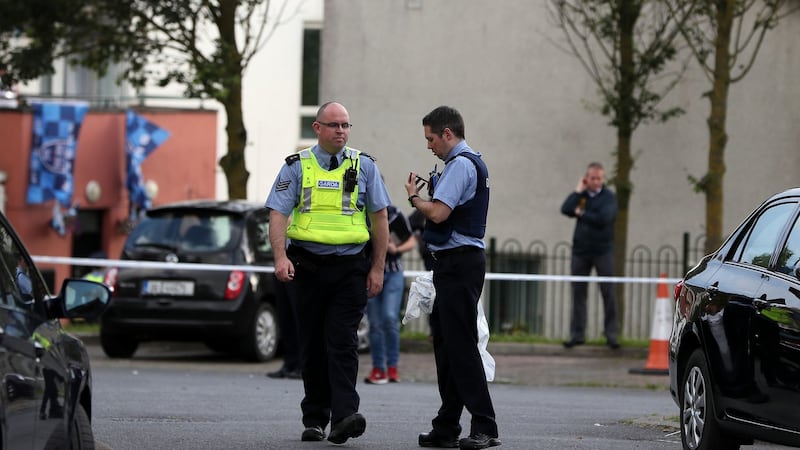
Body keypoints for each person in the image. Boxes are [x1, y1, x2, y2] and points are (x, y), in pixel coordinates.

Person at [265, 101, 390, 445]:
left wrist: (377, 267)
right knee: (312, 344)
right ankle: (315, 418)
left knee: (342, 340)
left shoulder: (364, 166)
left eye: (346, 125)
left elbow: (380, 218)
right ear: (317, 128)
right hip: (306, 266)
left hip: (351, 267)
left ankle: (345, 415)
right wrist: (280, 257)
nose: (341, 131)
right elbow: (277, 213)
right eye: (334, 125)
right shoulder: (296, 166)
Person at [405, 106, 500, 450]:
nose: (429, 145)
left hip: (460, 263)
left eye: (431, 138)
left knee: (460, 348)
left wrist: (415, 197)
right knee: (447, 347)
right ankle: (446, 426)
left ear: (448, 134)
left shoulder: (461, 164)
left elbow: (440, 213)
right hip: (454, 264)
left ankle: (485, 426)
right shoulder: (464, 163)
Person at [560, 162, 620, 350]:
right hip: (581, 251)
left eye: (599, 178)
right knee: (578, 292)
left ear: (603, 179)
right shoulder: (582, 196)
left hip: (603, 251)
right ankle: (577, 334)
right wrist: (578, 191)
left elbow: (604, 219)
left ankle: (611, 335)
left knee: (608, 292)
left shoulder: (609, 197)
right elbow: (566, 209)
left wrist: (582, 213)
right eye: (592, 178)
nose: (596, 182)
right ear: (587, 178)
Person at [364, 204, 416, 385]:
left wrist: (397, 249)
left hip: (393, 273)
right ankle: (378, 368)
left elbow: (411, 241)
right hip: (370, 273)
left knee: (389, 317)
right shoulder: (362, 213)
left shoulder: (395, 214)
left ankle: (392, 367)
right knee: (375, 323)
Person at [266, 272, 303, 379]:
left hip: (298, 268)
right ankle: (290, 363)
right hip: (282, 268)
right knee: (285, 318)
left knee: (299, 319)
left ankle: (303, 365)